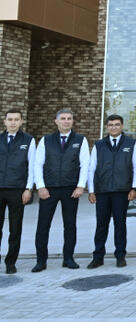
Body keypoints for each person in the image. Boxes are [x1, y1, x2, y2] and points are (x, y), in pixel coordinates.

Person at [32, 108, 90, 272]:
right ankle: (41, 261)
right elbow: (38, 164)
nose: (66, 121)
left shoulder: (80, 140)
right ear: (56, 121)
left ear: (72, 121)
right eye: (63, 118)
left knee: (70, 225)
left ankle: (68, 258)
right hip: (48, 189)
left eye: (69, 118)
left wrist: (80, 186)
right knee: (43, 225)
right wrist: (40, 186)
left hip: (71, 189)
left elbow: (85, 164)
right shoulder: (46, 140)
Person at [86, 114, 136, 269]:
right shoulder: (99, 145)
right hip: (102, 191)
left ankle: (120, 256)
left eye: (117, 124)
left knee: (120, 224)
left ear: (122, 126)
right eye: (111, 125)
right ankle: (98, 257)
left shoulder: (131, 144)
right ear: (107, 127)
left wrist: (134, 187)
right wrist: (91, 190)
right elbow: (91, 168)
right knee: (101, 224)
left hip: (121, 191)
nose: (114, 127)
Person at [0, 108, 35, 274]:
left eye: (16, 119)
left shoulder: (28, 140)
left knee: (15, 229)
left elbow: (32, 166)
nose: (13, 122)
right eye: (10, 119)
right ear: (5, 121)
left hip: (17, 190)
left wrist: (28, 188)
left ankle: (10, 262)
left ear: (21, 121)